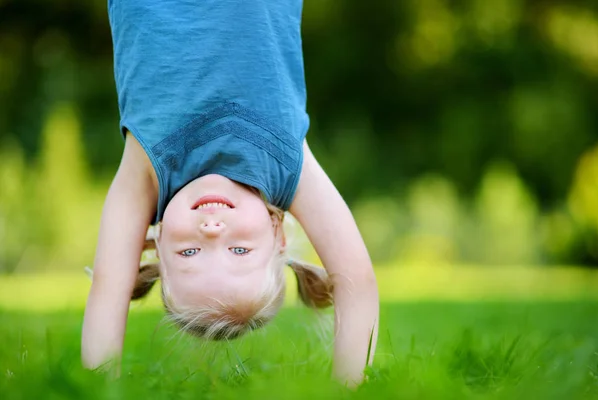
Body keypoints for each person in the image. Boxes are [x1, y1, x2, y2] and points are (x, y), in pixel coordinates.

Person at [81, 0, 379, 386]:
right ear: (276, 233)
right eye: (239, 251)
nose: (212, 231)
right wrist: (350, 389)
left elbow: (109, 287)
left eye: (189, 253)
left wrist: (101, 390)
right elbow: (357, 280)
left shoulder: (145, 178)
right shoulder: (287, 167)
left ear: (157, 245)